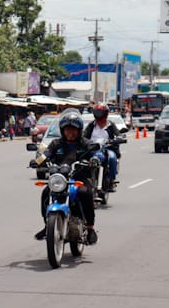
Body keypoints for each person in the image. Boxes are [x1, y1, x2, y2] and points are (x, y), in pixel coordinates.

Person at [33, 109, 98, 245]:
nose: (70, 132)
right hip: (60, 179)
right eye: (67, 129)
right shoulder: (56, 144)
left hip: (80, 178)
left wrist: (94, 159)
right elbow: (46, 154)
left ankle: (91, 228)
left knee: (85, 193)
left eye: (73, 129)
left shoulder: (84, 143)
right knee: (46, 193)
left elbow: (94, 153)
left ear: (79, 130)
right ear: (62, 130)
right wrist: (37, 161)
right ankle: (47, 225)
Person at [82, 103, 120, 191]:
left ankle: (111, 180)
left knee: (112, 158)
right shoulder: (91, 125)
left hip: (107, 148)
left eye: (101, 113)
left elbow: (118, 134)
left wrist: (117, 139)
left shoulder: (110, 125)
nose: (99, 115)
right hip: (93, 149)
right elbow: (84, 136)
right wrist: (87, 142)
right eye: (98, 113)